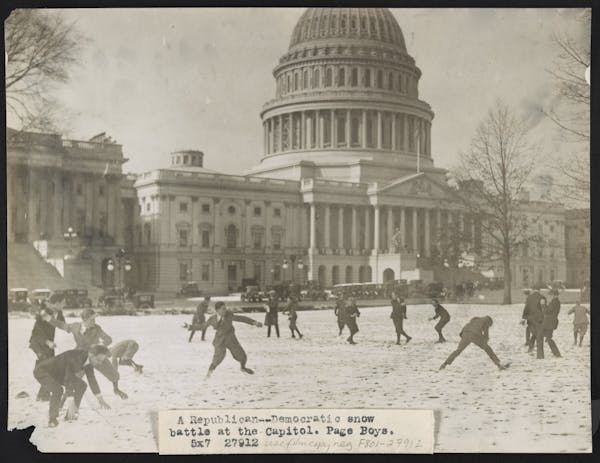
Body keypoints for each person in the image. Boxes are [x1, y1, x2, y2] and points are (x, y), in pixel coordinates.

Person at [49, 308, 128, 399]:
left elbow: (108, 339)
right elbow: (61, 325)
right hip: (81, 357)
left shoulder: (97, 328)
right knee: (73, 380)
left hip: (96, 355)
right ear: (85, 320)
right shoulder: (75, 327)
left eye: (94, 319)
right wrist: (49, 319)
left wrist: (98, 345)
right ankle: (62, 401)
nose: (94, 321)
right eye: (92, 319)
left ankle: (116, 389)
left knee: (113, 374)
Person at [33, 344, 112, 428]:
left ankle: (71, 414)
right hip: (43, 371)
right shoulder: (76, 358)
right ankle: (52, 419)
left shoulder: (88, 360)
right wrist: (70, 401)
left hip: (59, 374)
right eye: (98, 360)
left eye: (101, 361)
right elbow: (68, 379)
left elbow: (92, 379)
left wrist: (100, 399)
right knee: (58, 390)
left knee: (82, 385)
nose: (99, 363)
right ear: (91, 355)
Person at [200, 301, 262, 379]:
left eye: (225, 308)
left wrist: (254, 322)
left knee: (242, 355)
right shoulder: (212, 319)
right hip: (220, 340)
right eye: (223, 309)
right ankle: (209, 374)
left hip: (231, 339)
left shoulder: (229, 315)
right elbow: (202, 326)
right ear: (217, 310)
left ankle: (243, 368)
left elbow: (241, 318)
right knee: (217, 358)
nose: (225, 310)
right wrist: (189, 327)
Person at [440, 316, 509, 370]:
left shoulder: (475, 319)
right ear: (489, 322)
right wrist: (485, 343)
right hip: (474, 335)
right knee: (488, 349)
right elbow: (486, 335)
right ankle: (498, 364)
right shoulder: (486, 322)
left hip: (465, 333)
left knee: (458, 350)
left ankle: (444, 364)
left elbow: (467, 326)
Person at [29, 304, 65, 401]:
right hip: (39, 345)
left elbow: (62, 325)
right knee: (46, 367)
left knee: (50, 368)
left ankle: (43, 395)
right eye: (63, 302)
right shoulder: (42, 317)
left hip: (49, 346)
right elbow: (37, 334)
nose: (64, 304)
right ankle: (42, 395)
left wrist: (60, 312)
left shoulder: (56, 317)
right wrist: (47, 342)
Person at [522, 286, 544, 358]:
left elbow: (526, 308)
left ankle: (530, 348)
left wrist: (523, 318)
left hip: (530, 319)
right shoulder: (542, 297)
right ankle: (540, 355)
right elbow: (544, 308)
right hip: (539, 319)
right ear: (539, 290)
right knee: (539, 336)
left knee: (534, 334)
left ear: (533, 290)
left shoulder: (529, 297)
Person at [540, 293, 562, 358]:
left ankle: (556, 353)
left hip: (548, 322)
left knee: (546, 337)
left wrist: (543, 305)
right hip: (551, 322)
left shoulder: (554, 302)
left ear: (553, 295)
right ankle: (556, 353)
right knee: (547, 338)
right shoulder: (556, 302)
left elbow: (548, 311)